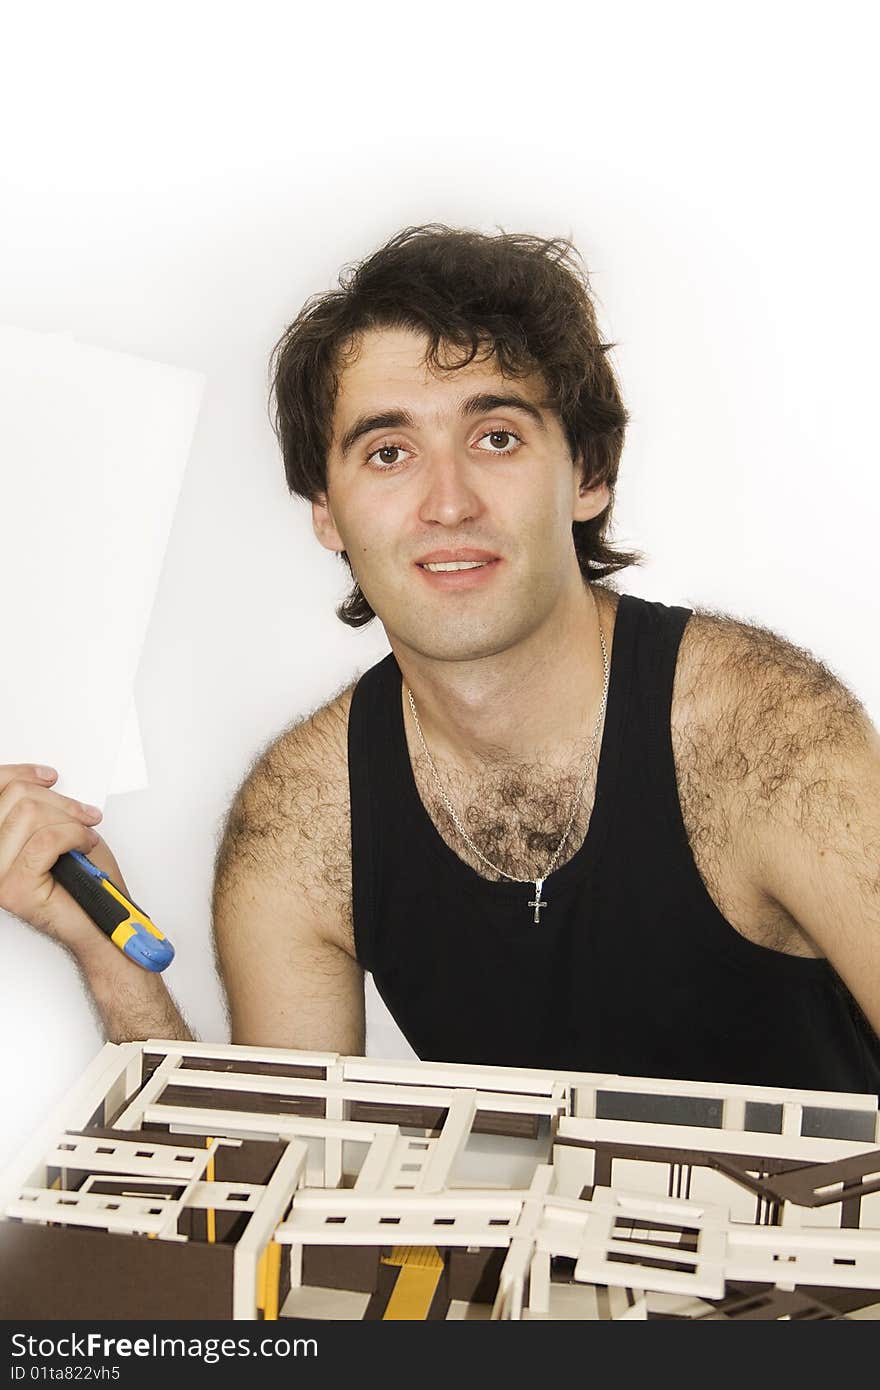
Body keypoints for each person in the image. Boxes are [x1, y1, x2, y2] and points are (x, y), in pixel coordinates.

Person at [2, 225, 878, 1095]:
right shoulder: (304, 822)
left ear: (589, 473)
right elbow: (267, 1185)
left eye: (495, 437)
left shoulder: (767, 738)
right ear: (328, 513)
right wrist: (109, 957)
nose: (447, 503)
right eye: (389, 453)